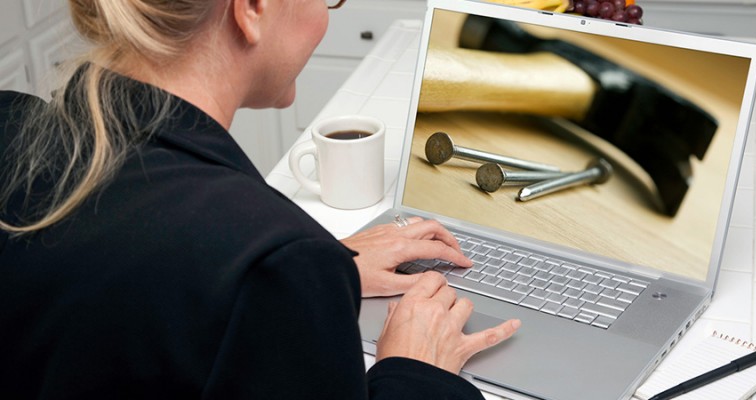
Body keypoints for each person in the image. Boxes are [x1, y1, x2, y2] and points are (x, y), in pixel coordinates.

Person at [0, 0, 520, 398]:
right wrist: (415, 372)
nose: (326, 16)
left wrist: (314, 273)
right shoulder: (272, 261)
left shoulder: (10, 124)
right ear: (251, 8)